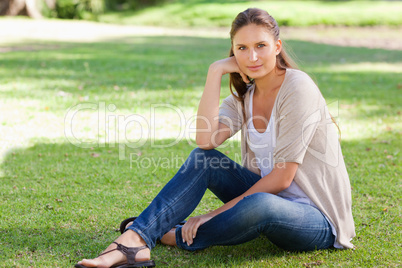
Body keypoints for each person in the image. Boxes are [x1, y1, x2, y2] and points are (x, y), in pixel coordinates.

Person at [75, 7, 355, 268]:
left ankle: (173, 235)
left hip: (316, 218)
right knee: (203, 160)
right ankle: (136, 241)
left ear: (277, 47)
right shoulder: (245, 97)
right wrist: (215, 71)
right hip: (266, 198)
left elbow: (282, 179)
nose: (252, 57)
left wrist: (212, 214)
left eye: (261, 46)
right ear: (233, 52)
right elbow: (205, 141)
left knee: (259, 205)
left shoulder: (297, 87)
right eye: (242, 48)